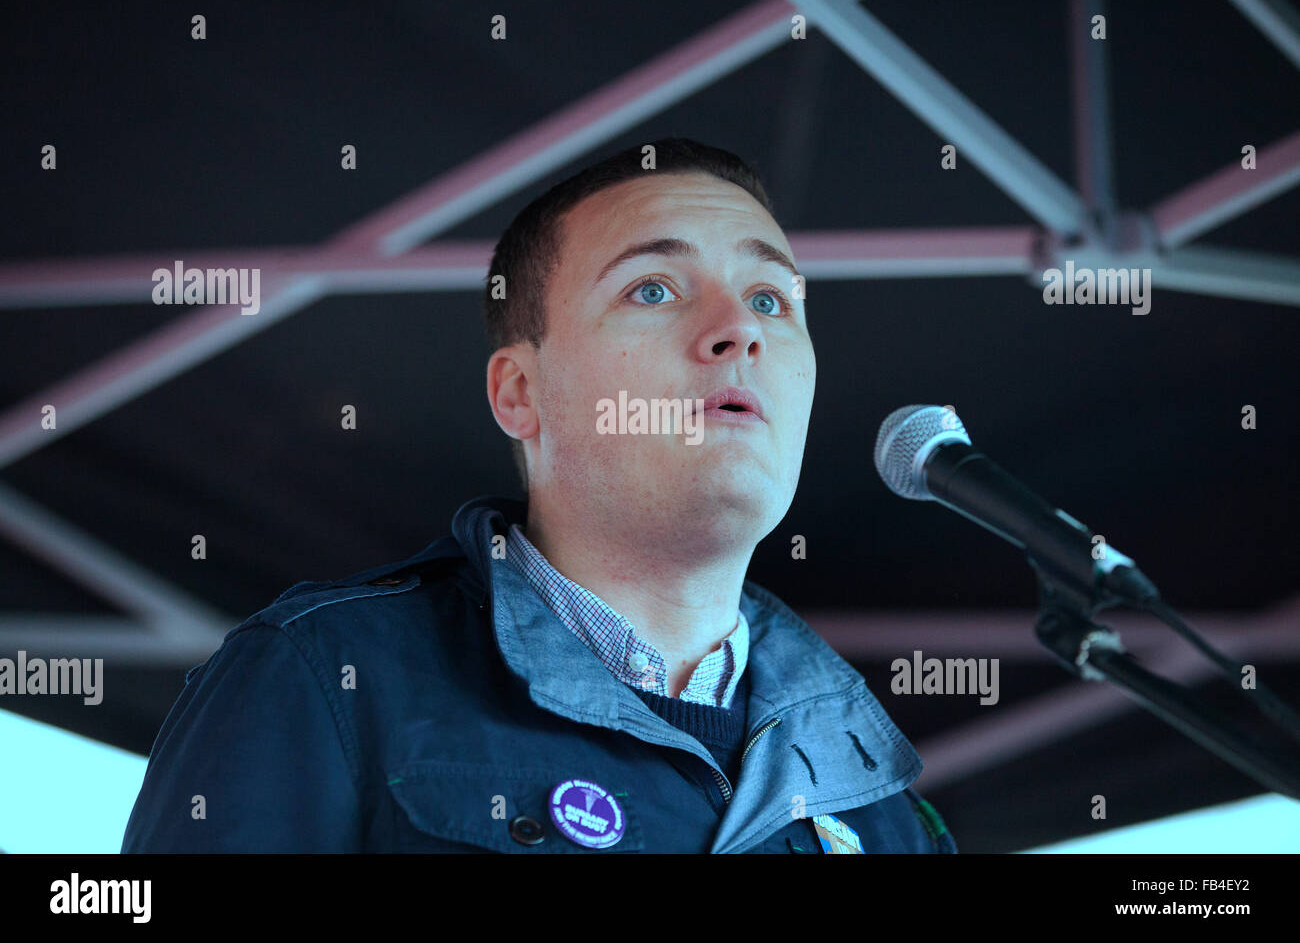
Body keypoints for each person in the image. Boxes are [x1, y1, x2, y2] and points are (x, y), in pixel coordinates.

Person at [121, 137, 955, 853]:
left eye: (771, 299)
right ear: (520, 393)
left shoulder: (880, 806)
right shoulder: (322, 677)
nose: (739, 328)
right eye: (654, 289)